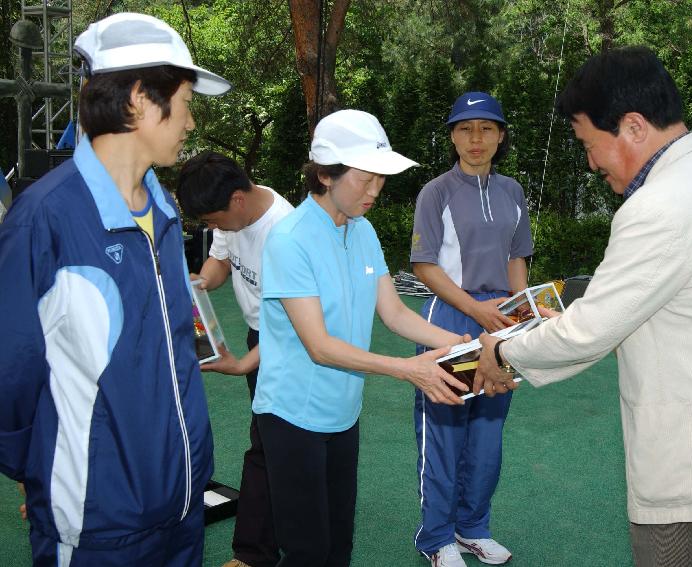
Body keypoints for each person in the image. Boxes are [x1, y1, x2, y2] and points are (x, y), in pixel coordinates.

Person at [474, 46, 692, 567]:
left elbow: (591, 330)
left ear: (632, 126)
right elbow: (639, 312)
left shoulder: (661, 205)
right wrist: (565, 330)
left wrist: (502, 352)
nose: (589, 162)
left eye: (588, 143)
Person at [0, 12, 230, 566]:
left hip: (181, 505)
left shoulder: (167, 212)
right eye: (185, 101)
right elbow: (11, 373)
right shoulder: (44, 219)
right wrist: (40, 470)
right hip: (98, 523)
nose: (191, 122)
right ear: (138, 100)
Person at [253, 109, 471, 567]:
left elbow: (393, 312)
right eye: (366, 179)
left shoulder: (363, 230)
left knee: (339, 544)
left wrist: (462, 343)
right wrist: (407, 369)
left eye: (381, 180)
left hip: (342, 413)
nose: (375, 192)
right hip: (292, 416)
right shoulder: (289, 238)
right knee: (307, 551)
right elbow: (320, 345)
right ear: (326, 174)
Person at [409, 91, 533, 567]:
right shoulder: (436, 192)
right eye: (464, 128)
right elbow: (424, 265)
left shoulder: (513, 192)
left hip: (502, 324)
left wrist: (519, 318)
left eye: (485, 129)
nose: (475, 138)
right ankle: (436, 537)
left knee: (487, 434)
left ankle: (472, 527)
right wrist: (478, 313)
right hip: (451, 321)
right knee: (444, 433)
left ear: (500, 136)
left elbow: (516, 258)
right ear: (453, 137)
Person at [176, 151, 294, 567]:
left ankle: (253, 554)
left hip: (295, 345)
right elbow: (221, 260)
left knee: (266, 445)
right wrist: (201, 282)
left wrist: (246, 364)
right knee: (273, 441)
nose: (211, 228)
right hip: (261, 334)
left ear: (238, 200)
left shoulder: (285, 232)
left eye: (211, 219)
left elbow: (297, 328)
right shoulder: (237, 213)